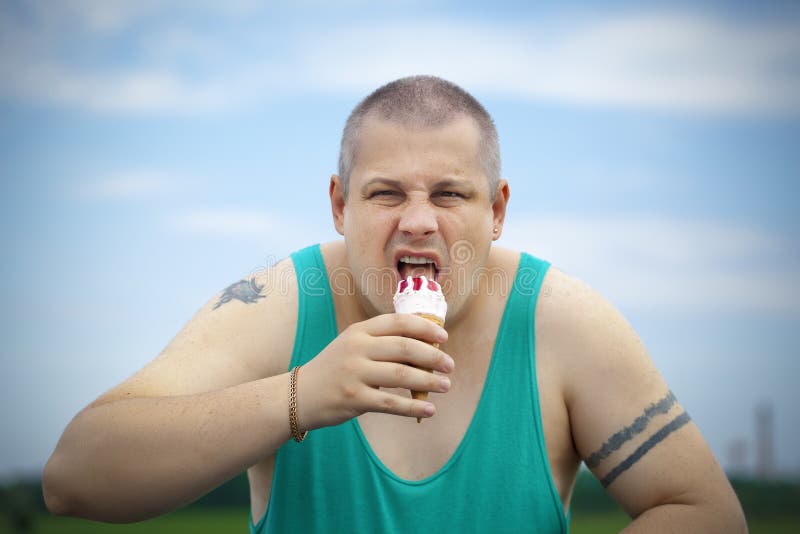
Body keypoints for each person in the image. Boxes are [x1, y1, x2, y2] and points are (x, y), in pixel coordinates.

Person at [42, 75, 746, 532]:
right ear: (339, 205)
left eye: (449, 193)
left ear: (496, 210)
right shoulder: (282, 303)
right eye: (385, 193)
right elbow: (75, 478)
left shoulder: (564, 319)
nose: (417, 221)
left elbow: (706, 513)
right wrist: (301, 394)